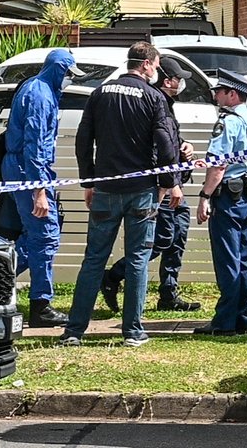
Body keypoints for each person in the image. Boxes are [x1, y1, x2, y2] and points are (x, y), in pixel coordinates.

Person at [61, 42, 183, 347]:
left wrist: (89, 181)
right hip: (141, 191)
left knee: (93, 259)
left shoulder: (99, 93)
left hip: (105, 188)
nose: (156, 71)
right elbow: (167, 146)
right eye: (156, 66)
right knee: (138, 259)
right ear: (146, 65)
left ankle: (74, 331)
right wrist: (168, 182)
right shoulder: (155, 98)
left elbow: (82, 140)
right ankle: (132, 331)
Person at [100, 57, 201, 313]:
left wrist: (184, 146)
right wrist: (168, 185)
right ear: (168, 80)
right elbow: (155, 148)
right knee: (160, 240)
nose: (181, 84)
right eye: (179, 79)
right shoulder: (154, 100)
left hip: (174, 181)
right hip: (162, 185)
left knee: (177, 238)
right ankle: (112, 277)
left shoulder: (166, 103)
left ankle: (168, 293)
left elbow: (169, 139)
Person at [2, 49, 85, 328]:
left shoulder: (37, 88)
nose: (70, 81)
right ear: (58, 70)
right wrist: (39, 189)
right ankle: (37, 303)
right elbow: (35, 145)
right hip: (29, 171)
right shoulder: (40, 95)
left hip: (27, 170)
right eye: (69, 74)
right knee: (45, 235)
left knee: (38, 236)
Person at [194, 68, 247, 336]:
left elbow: (218, 165)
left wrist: (205, 196)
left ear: (232, 94)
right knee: (244, 260)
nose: (216, 96)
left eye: (219, 92)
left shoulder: (228, 123)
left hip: (229, 198)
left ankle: (224, 322)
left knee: (227, 261)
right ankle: (243, 318)